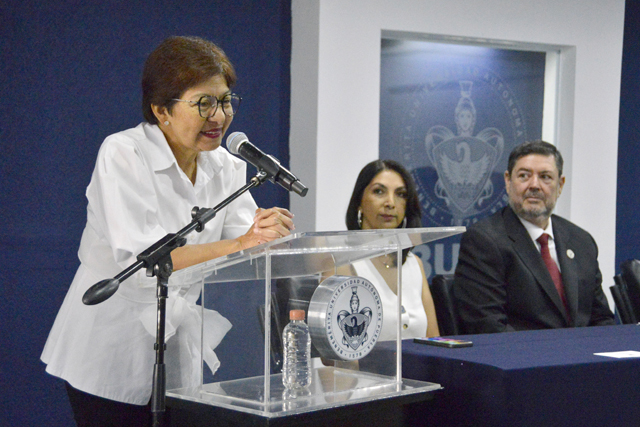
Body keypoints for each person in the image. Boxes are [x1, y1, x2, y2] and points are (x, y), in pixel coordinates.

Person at [40, 36, 294, 426]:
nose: (219, 116)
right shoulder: (123, 153)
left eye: (225, 101)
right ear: (162, 110)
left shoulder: (226, 166)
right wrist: (244, 241)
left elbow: (246, 247)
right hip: (109, 349)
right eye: (203, 103)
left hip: (177, 354)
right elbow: (143, 260)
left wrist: (268, 232)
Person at [453, 140, 615, 334]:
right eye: (524, 176)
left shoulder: (581, 241)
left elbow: (601, 319)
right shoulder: (484, 240)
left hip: (581, 358)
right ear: (507, 181)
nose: (534, 185)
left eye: (545, 177)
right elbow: (488, 325)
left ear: (560, 185)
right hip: (523, 359)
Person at [340, 160, 440, 340]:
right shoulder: (342, 265)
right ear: (359, 203)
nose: (390, 203)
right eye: (379, 191)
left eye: (401, 194)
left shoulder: (414, 264)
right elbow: (333, 354)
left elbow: (434, 339)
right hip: (365, 369)